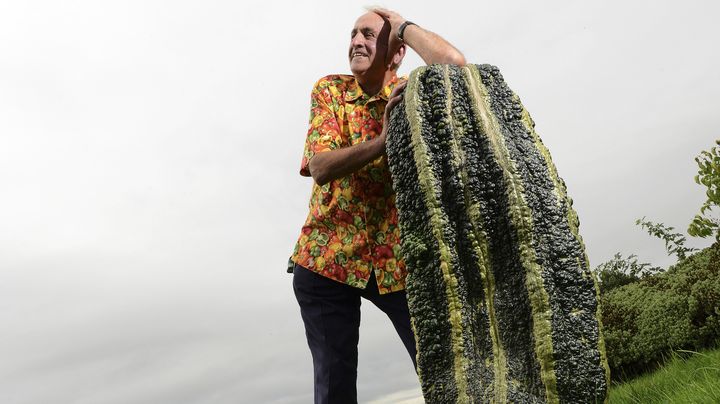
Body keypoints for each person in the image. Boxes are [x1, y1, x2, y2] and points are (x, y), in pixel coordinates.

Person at [289, 8, 465, 404]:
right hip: (326, 261)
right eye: (353, 34)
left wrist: (403, 26)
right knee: (334, 389)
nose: (356, 42)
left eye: (369, 35)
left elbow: (455, 65)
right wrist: (381, 142)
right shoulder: (330, 91)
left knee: (446, 371)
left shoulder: (409, 92)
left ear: (396, 53)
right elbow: (319, 166)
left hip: (396, 261)